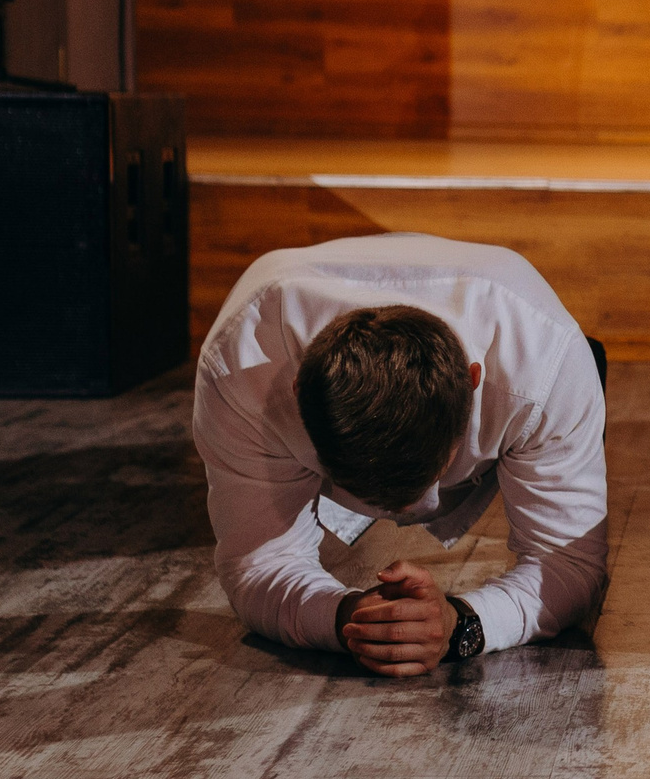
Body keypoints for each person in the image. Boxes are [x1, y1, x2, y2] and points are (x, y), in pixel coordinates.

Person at [194, 233, 611, 675]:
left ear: (472, 383)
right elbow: (259, 563)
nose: (407, 510)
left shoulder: (545, 362)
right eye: (358, 486)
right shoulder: (240, 367)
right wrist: (351, 618)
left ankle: (575, 423)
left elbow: (568, 562)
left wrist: (461, 624)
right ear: (299, 395)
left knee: (565, 410)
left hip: (529, 370)